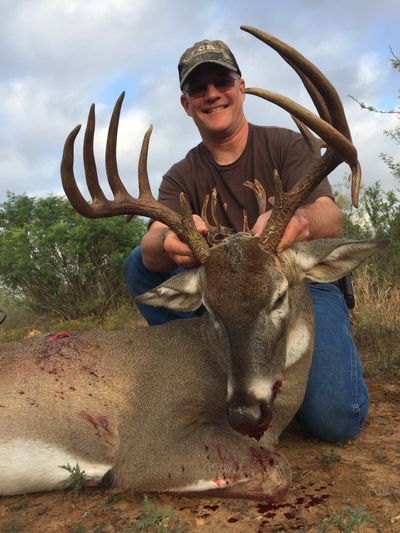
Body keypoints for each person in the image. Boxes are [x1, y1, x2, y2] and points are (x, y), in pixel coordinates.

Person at [123, 38, 368, 443]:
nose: (212, 94)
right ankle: (209, 363)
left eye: (222, 81)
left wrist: (300, 223)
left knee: (336, 420)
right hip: (225, 301)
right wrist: (168, 241)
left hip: (294, 287)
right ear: (186, 104)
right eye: (198, 89)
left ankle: (285, 372)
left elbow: (330, 216)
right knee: (137, 262)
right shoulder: (180, 176)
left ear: (241, 87)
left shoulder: (285, 145)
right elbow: (150, 245)